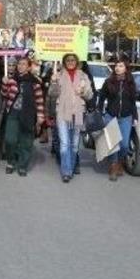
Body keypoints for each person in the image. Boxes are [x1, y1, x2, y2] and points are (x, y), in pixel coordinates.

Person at [48, 53, 94, 183]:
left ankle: (71, 167)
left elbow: (90, 95)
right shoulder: (59, 75)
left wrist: (83, 91)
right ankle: (66, 172)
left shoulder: (83, 76)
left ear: (77, 62)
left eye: (73, 60)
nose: (70, 62)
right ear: (64, 62)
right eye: (68, 60)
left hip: (78, 112)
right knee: (64, 144)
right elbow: (52, 94)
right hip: (62, 112)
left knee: (74, 145)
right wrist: (54, 82)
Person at [2, 57, 45, 177]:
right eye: (19, 64)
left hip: (28, 114)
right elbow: (4, 95)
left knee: (26, 141)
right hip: (13, 113)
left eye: (23, 64)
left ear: (29, 67)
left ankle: (22, 165)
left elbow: (39, 100)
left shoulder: (35, 82)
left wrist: (40, 115)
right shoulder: (12, 80)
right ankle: (11, 162)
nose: (20, 66)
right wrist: (4, 84)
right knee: (10, 139)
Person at [98, 58, 138, 181]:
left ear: (126, 68)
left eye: (120, 66)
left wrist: (135, 117)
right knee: (113, 144)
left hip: (126, 117)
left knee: (124, 144)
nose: (117, 68)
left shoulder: (131, 83)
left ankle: (120, 162)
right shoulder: (109, 82)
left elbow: (133, 102)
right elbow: (101, 98)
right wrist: (101, 112)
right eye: (116, 66)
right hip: (111, 116)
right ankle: (113, 166)